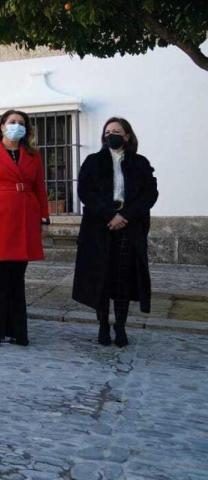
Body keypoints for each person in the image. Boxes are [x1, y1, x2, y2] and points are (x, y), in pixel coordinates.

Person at [73, 118, 158, 347]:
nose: (112, 135)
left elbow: (150, 194)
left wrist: (125, 215)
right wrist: (109, 215)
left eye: (117, 131)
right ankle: (102, 325)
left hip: (129, 226)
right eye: (108, 131)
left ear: (127, 135)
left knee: (123, 278)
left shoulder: (140, 163)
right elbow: (85, 191)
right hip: (100, 226)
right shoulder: (93, 161)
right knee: (102, 277)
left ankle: (120, 326)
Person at [0, 109, 49, 347]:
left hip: (25, 217)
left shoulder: (33, 155)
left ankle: (18, 331)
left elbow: (40, 189)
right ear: (2, 126)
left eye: (21, 123)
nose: (17, 126)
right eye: (12, 122)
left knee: (17, 277)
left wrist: (44, 219)